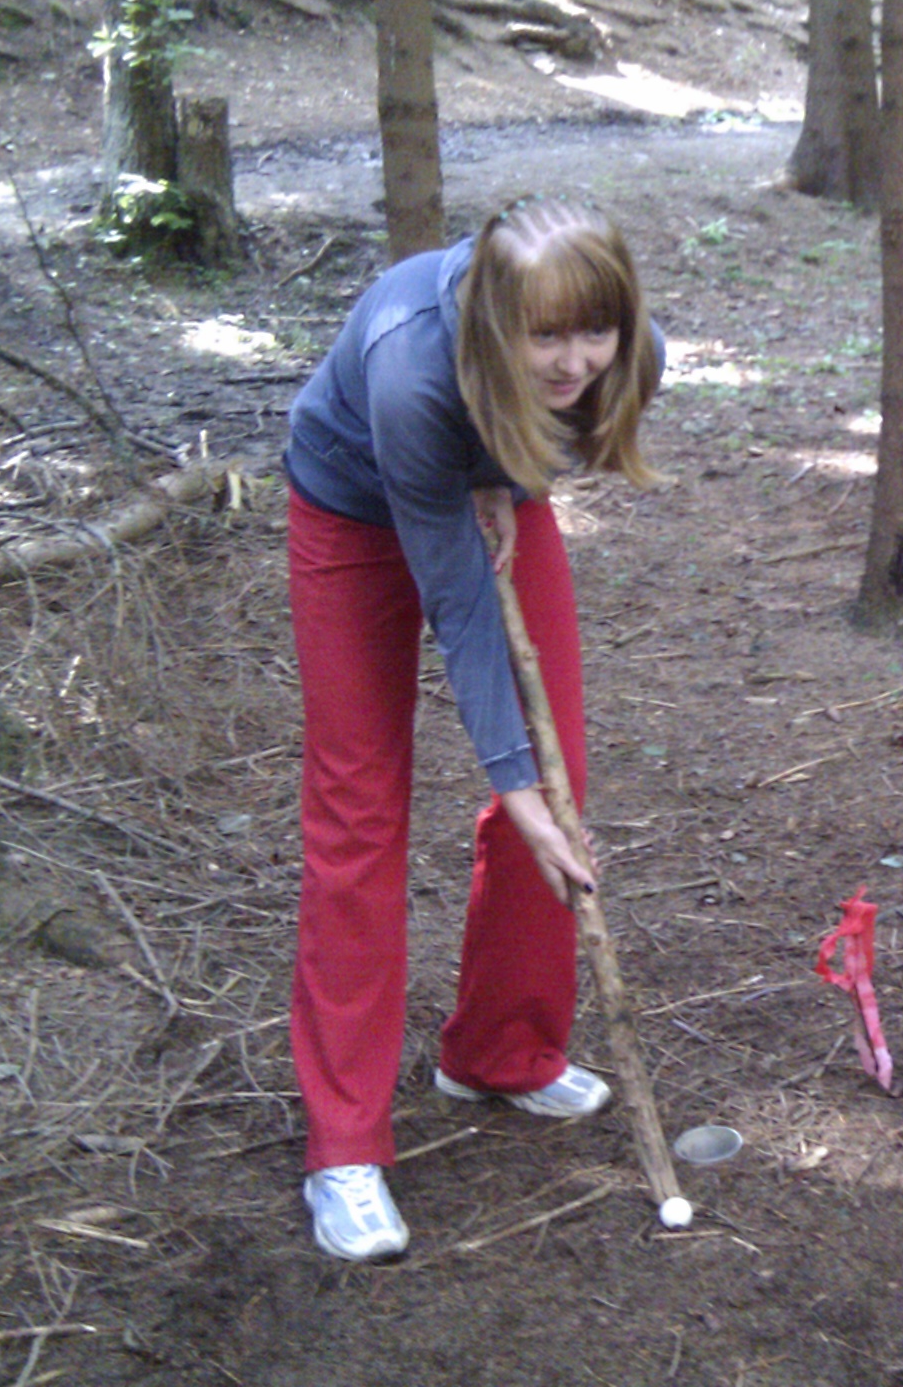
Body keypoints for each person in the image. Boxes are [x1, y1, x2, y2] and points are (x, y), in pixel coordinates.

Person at [284, 196, 663, 1261]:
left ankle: (501, 1051)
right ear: (497, 323)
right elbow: (458, 606)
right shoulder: (412, 367)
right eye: (547, 337)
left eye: (595, 331)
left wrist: (502, 473)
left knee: (557, 782)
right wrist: (508, 779)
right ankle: (343, 1145)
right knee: (359, 808)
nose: (576, 360)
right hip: (351, 506)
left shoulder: (633, 355)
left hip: (475, 467)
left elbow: (578, 424)